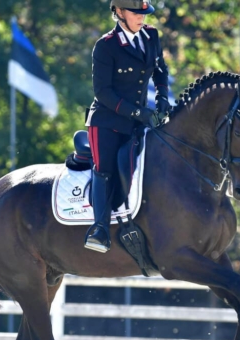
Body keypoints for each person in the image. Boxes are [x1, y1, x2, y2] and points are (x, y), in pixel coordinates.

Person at [84, 0, 171, 253]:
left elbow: (160, 70)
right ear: (120, 12)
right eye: (136, 13)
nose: (142, 18)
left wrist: (162, 98)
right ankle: (100, 229)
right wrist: (139, 113)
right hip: (107, 122)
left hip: (139, 120)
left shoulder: (151, 36)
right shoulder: (106, 46)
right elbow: (103, 93)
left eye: (144, 13)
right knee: (105, 169)